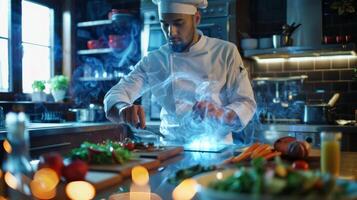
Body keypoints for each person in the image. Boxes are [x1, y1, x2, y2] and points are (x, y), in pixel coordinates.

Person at [104, 0, 256, 144]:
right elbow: (116, 93)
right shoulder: (155, 60)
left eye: (178, 23)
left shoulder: (225, 52)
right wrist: (122, 109)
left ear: (196, 19)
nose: (171, 32)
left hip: (217, 150)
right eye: (165, 24)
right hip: (170, 150)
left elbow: (246, 103)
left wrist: (220, 114)